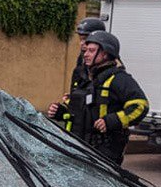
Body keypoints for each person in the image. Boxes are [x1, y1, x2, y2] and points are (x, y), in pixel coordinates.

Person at [45, 30, 148, 165]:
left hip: (104, 153)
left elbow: (140, 106)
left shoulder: (119, 79)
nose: (85, 54)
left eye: (91, 51)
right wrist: (61, 112)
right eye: (86, 50)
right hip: (79, 149)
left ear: (105, 53)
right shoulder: (86, 79)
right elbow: (82, 112)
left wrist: (112, 120)